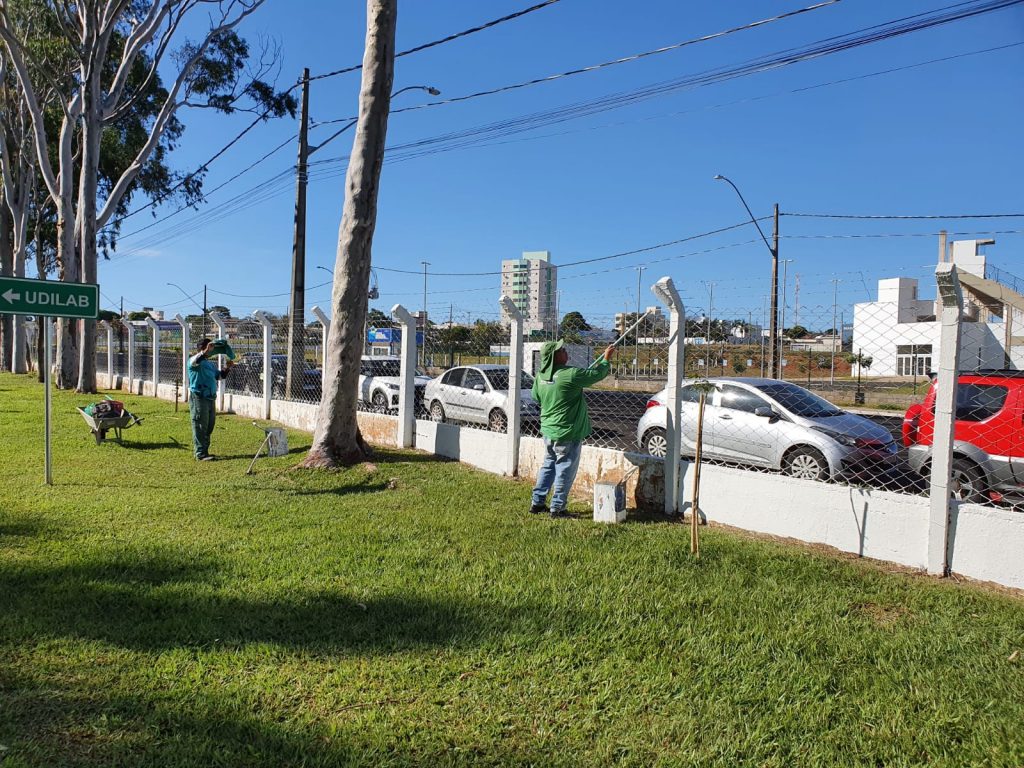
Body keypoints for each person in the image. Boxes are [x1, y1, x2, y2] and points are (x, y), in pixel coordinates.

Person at [529, 340, 615, 518]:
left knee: (549, 465)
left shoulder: (540, 377)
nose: (566, 351)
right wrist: (606, 359)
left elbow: (536, 396)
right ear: (555, 356)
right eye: (562, 350)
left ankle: (537, 502)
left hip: (548, 430)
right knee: (565, 469)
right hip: (567, 432)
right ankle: (557, 507)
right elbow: (596, 375)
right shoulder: (571, 374)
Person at [188, 338, 233, 461]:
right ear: (201, 348)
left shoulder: (209, 364)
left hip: (210, 398)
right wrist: (205, 351)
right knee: (200, 425)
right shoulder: (193, 361)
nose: (211, 349)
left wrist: (227, 368)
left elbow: (219, 376)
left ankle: (205, 451)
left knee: (209, 425)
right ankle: (200, 454)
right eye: (208, 346)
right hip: (199, 397)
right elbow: (197, 360)